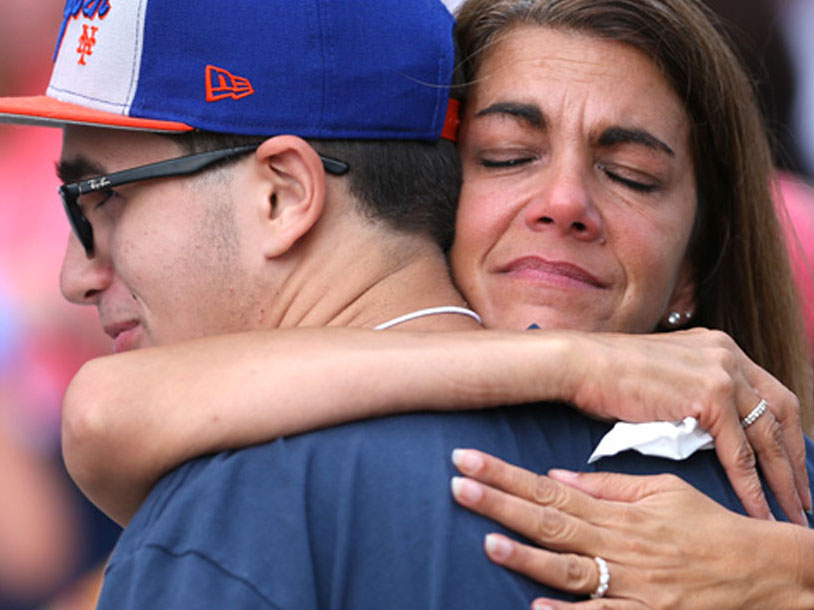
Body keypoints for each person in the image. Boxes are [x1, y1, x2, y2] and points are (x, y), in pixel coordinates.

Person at [1, 0, 812, 607]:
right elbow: (103, 413)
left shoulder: (240, 503)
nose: (563, 203)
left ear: (288, 196)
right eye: (506, 158)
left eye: (99, 198)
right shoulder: (784, 479)